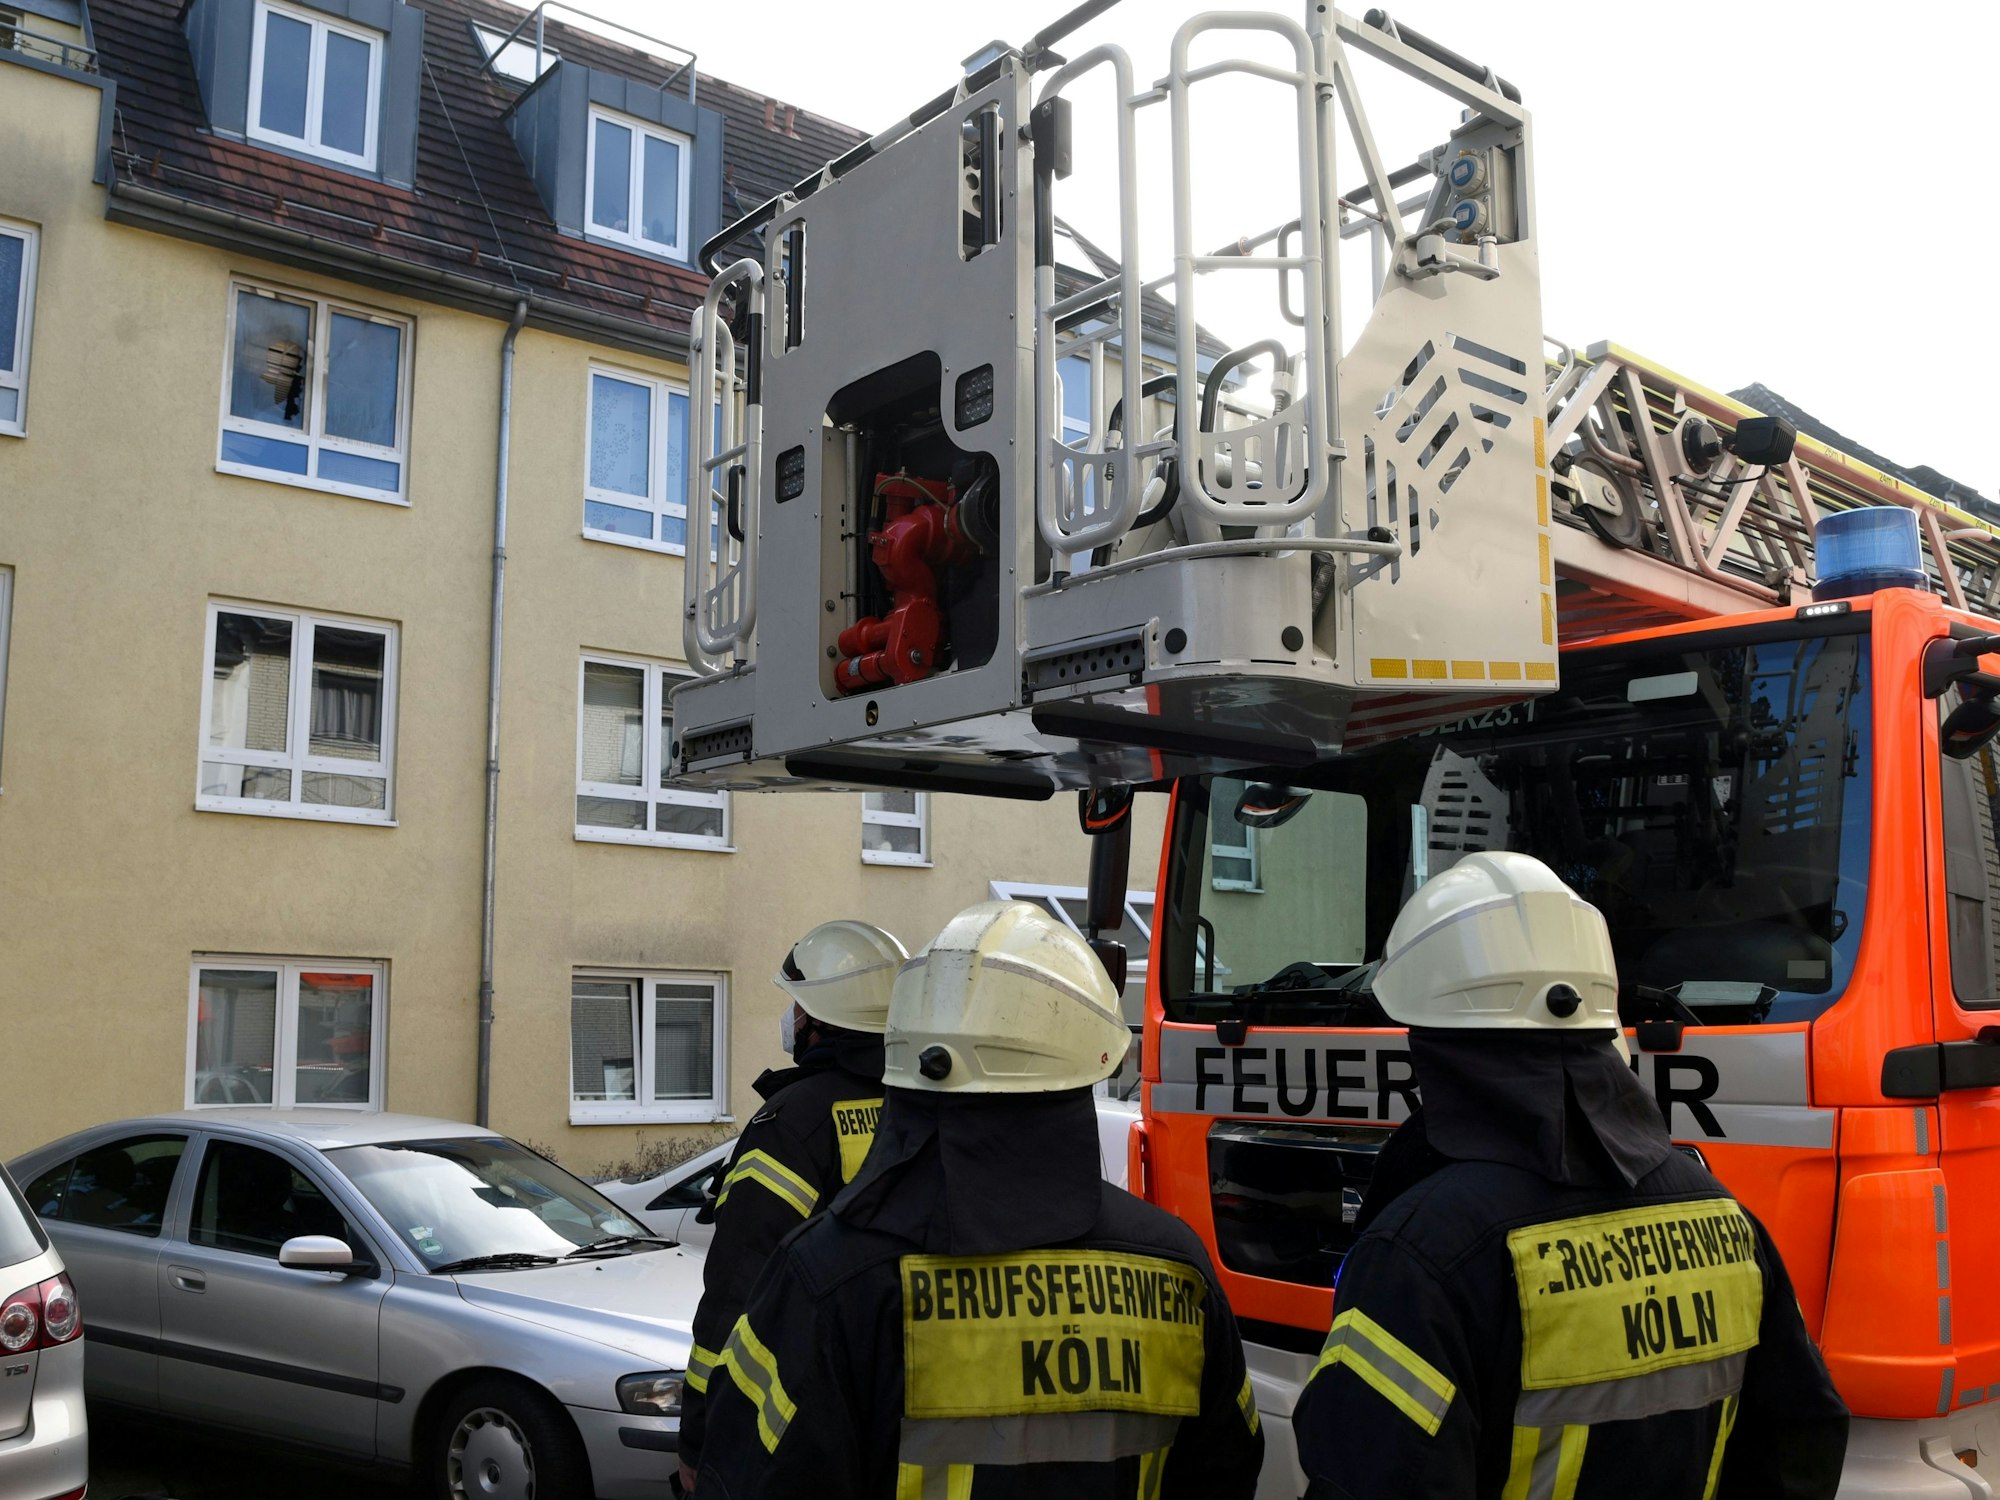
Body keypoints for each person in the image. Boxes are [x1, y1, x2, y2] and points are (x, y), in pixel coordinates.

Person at [1294, 852, 1849, 1499]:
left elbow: (1373, 1478)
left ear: (1437, 1043)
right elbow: (1800, 1443)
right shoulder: (1726, 1220)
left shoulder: (1419, 1254)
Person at [696, 900, 1265, 1499]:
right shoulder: (1178, 1271)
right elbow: (1228, 1472)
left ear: (909, 1048)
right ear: (1087, 1054)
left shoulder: (828, 1279)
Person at [676, 919, 908, 1492]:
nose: (791, 1018)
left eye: (798, 1006)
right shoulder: (925, 1108)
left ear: (817, 1022)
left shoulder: (793, 1123)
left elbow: (738, 1290)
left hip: (812, 1408)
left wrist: (697, 1438)